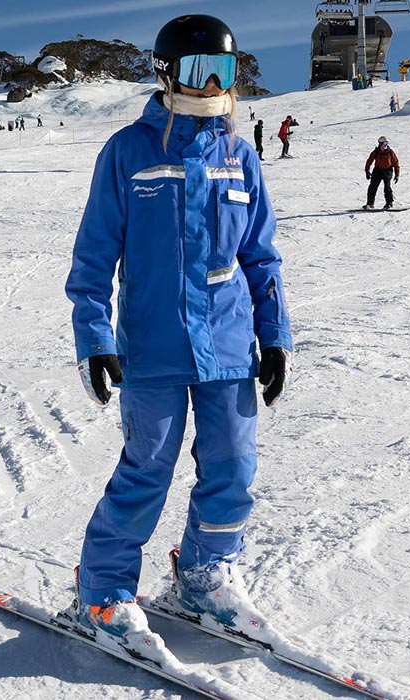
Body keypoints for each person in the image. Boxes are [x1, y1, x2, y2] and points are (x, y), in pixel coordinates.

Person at [65, 14, 291, 650]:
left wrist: (275, 336)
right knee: (147, 470)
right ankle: (104, 591)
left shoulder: (240, 156)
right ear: (166, 73)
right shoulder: (128, 152)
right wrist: (95, 341)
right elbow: (92, 261)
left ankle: (204, 575)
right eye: (198, 70)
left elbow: (261, 258)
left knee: (233, 466)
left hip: (229, 346)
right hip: (153, 346)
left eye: (223, 70)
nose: (212, 85)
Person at [363, 136, 401, 210]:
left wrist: (397, 175)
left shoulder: (390, 152)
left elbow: (396, 163)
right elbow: (369, 161)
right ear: (380, 144)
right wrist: (367, 171)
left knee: (387, 188)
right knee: (372, 187)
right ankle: (370, 204)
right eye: (384, 143)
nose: (385, 145)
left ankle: (389, 203)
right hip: (377, 170)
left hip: (387, 171)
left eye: (387, 143)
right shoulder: (376, 152)